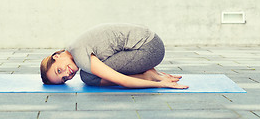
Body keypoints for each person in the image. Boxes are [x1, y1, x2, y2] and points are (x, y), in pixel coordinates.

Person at [40, 23, 188, 89]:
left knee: (89, 77)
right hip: (151, 41)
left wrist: (159, 84)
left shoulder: (80, 55)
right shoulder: (73, 46)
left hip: (150, 49)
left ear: (56, 56)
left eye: (59, 70)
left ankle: (148, 75)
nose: (68, 74)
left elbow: (122, 81)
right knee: (89, 74)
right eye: (64, 79)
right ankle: (148, 72)